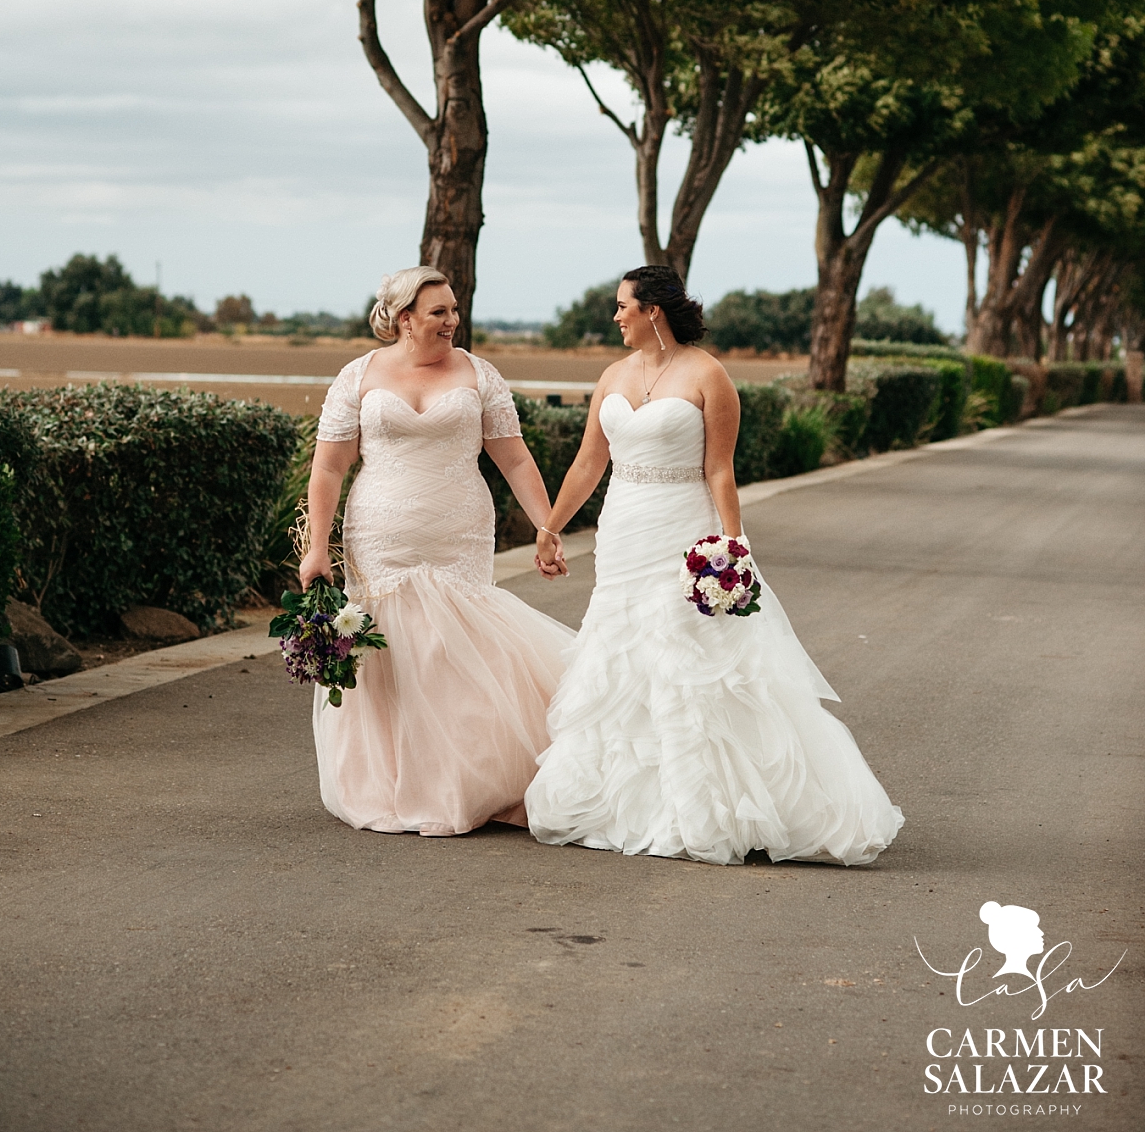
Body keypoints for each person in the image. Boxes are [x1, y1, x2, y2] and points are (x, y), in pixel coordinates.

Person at [524, 265, 904, 867]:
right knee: (622, 657)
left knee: (689, 662)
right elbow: (588, 464)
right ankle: (621, 806)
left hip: (681, 530)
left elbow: (719, 469)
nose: (615, 316)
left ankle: (708, 808)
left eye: (623, 306)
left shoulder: (708, 374)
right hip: (622, 535)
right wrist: (549, 528)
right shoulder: (613, 375)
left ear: (654, 310)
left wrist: (733, 545)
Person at [301, 266, 574, 837]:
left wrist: (546, 527)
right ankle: (395, 784)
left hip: (459, 532)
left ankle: (470, 782)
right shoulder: (358, 376)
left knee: (455, 652)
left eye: (453, 310)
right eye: (439, 312)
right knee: (393, 654)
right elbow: (329, 465)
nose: (453, 321)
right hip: (378, 535)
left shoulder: (479, 374)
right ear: (405, 320)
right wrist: (315, 547)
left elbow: (515, 459)